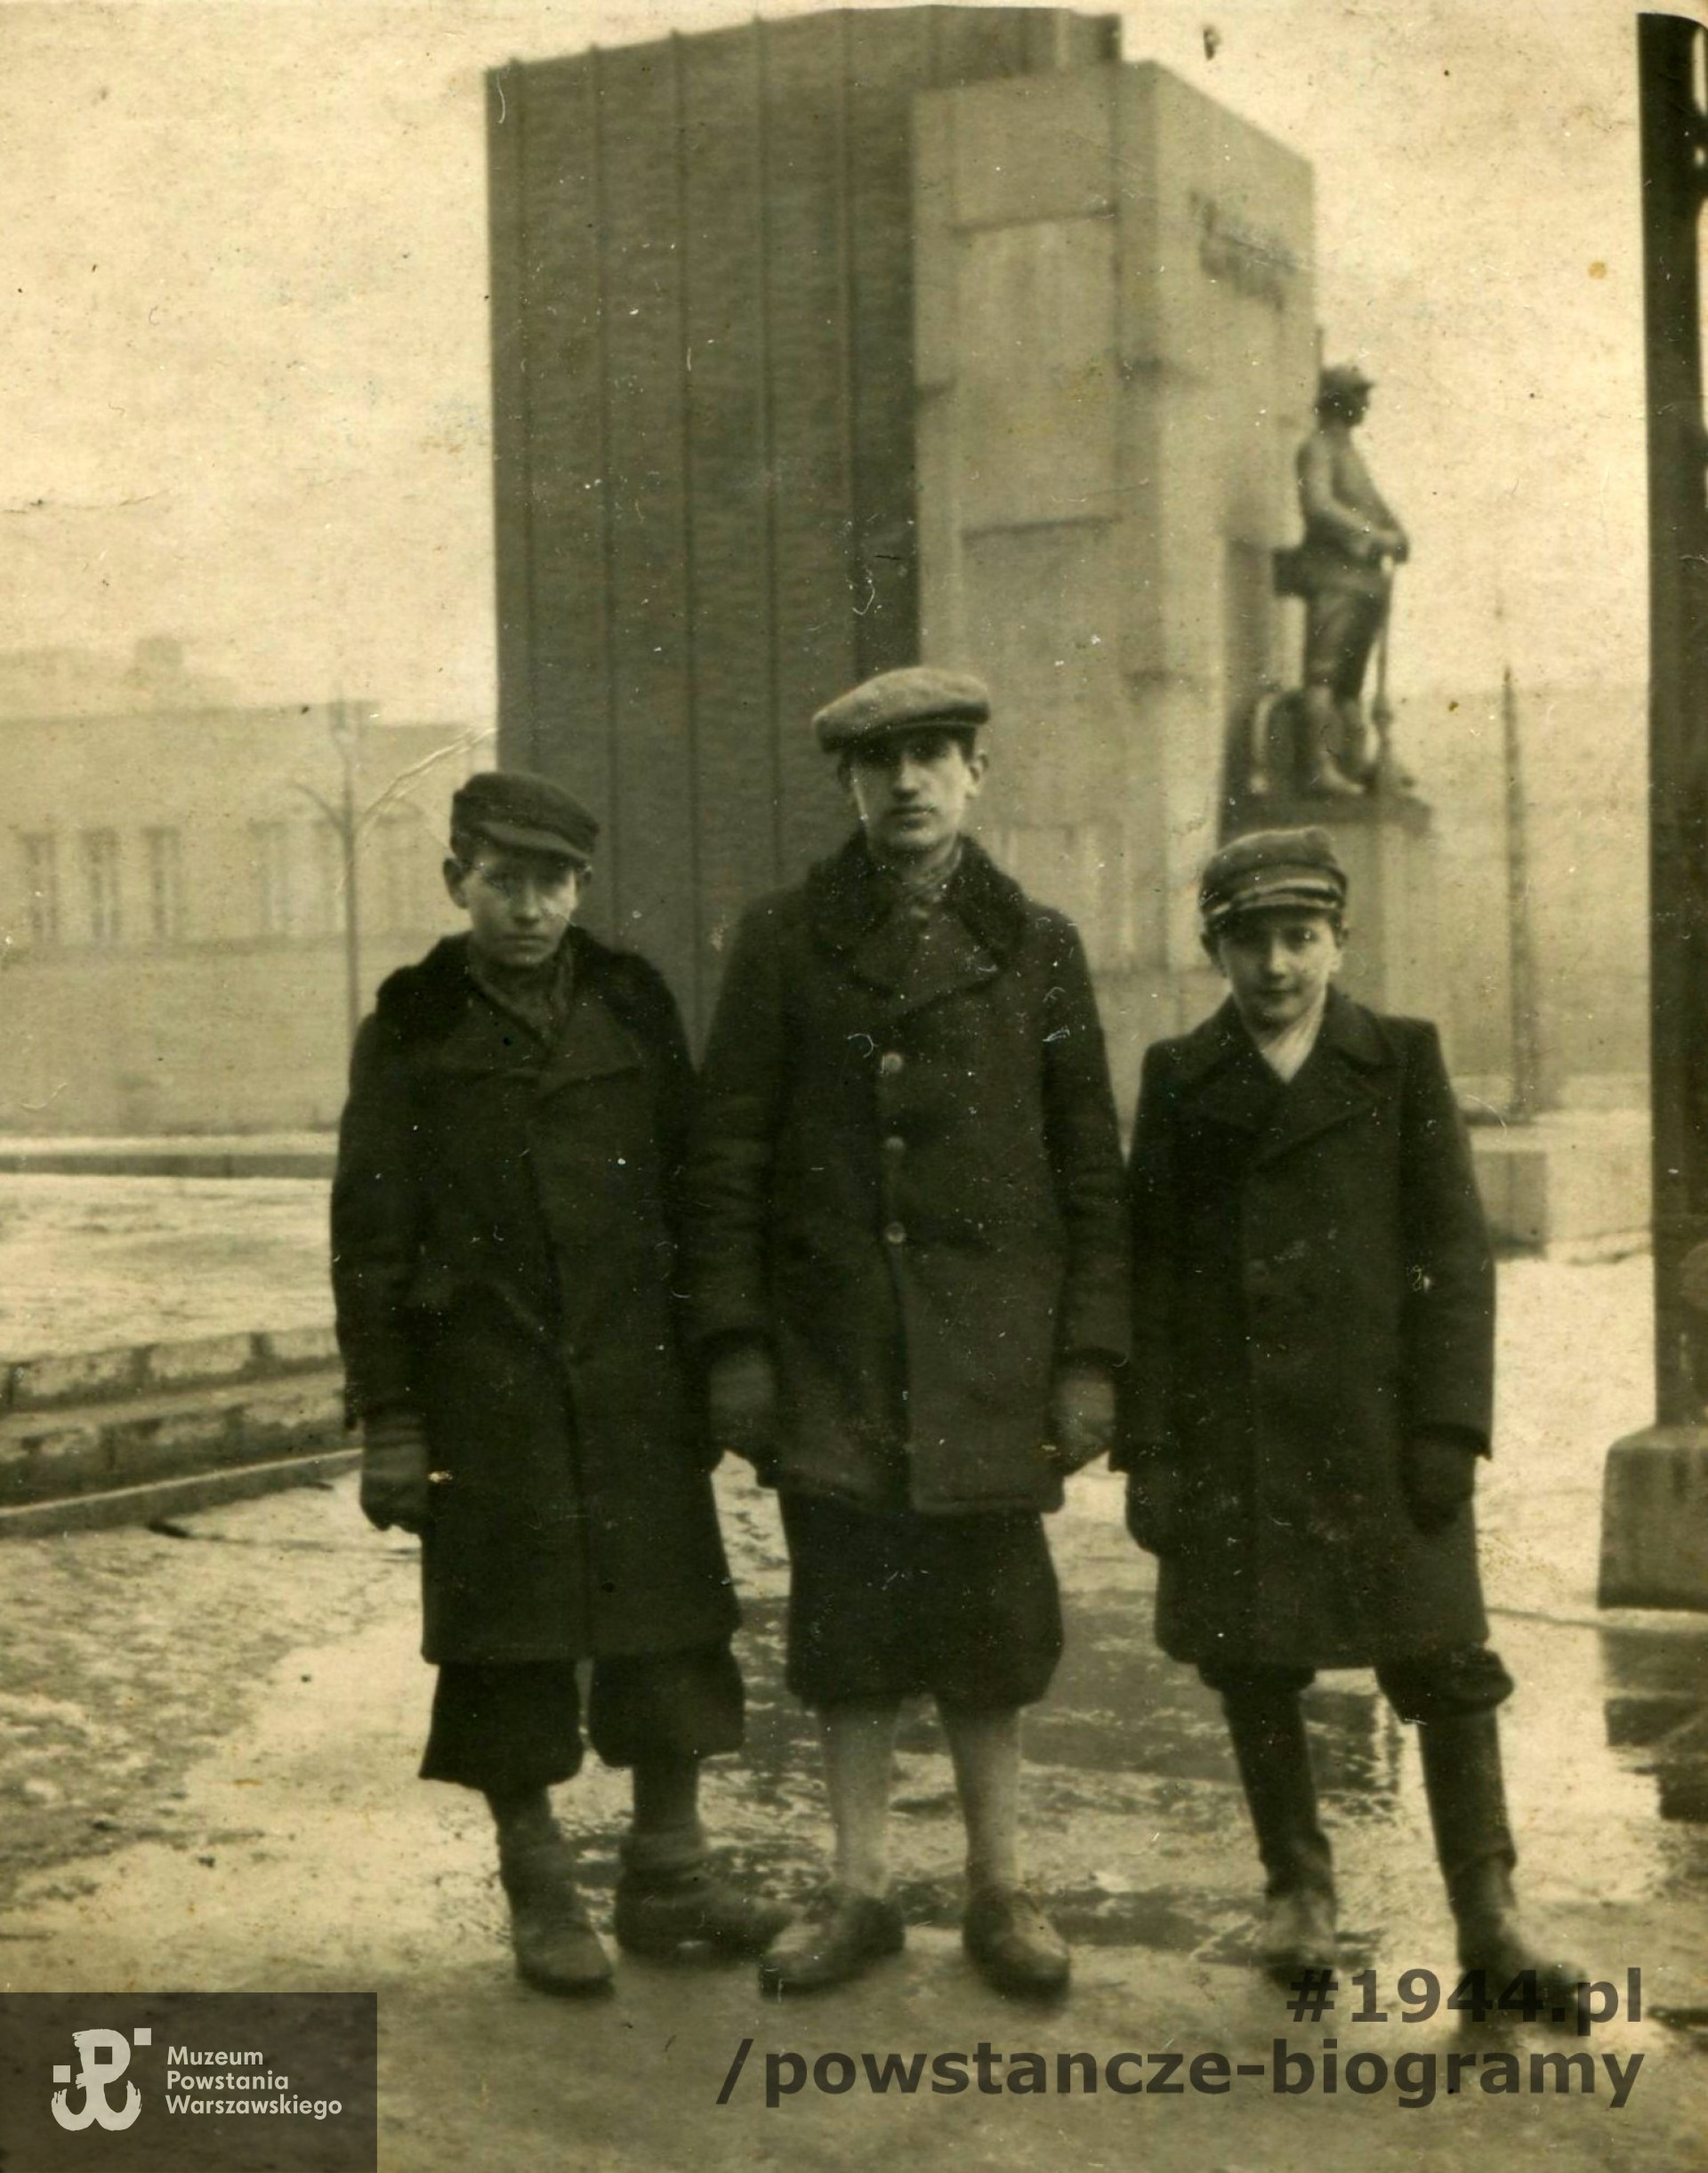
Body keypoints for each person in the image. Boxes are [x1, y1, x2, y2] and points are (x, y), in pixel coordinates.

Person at [685, 666, 1130, 2000]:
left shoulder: (1039, 945)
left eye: (935, 754)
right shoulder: (781, 940)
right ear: (849, 785)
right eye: (882, 764)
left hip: (990, 1363)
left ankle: (1004, 1889)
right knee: (849, 1635)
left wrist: (1090, 1354)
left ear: (977, 773)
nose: (910, 783)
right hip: (838, 1361)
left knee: (991, 1633)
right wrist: (738, 1346)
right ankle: (861, 1887)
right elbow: (727, 1161)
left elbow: (1089, 1167)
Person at [330, 769, 786, 1996]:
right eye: (502, 880)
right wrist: (391, 1418)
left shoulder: (633, 1007)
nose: (528, 905)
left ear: (580, 888)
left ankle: (670, 1871)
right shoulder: (413, 1027)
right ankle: (538, 1878)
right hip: (487, 1386)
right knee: (505, 1637)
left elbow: (696, 1197)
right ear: (456, 883)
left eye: (551, 881)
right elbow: (370, 1240)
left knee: (669, 1624)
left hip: (636, 1378)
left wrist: (713, 1362)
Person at [1117, 827, 1579, 2004]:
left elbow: (1454, 1257)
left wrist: (1448, 1426)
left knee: (1447, 1663)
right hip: (1238, 1437)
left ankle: (1491, 1916)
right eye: (1249, 939)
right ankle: (1299, 1890)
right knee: (1253, 1664)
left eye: (1300, 936)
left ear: (1337, 938)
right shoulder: (1181, 1074)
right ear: (1212, 944)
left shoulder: (1401, 1057)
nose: (1276, 963)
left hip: (1379, 1433)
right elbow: (1153, 1275)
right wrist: (1151, 1449)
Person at [1293, 364, 1409, 794]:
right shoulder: (1317, 448)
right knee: (1323, 672)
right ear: (1337, 399)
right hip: (1331, 573)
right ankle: (1317, 765)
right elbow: (1319, 504)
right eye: (1359, 395)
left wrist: (1397, 533)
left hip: (1362, 578)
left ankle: (1354, 759)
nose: (1366, 405)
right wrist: (1372, 535)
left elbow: (1372, 504)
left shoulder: (1349, 453)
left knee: (1351, 678)